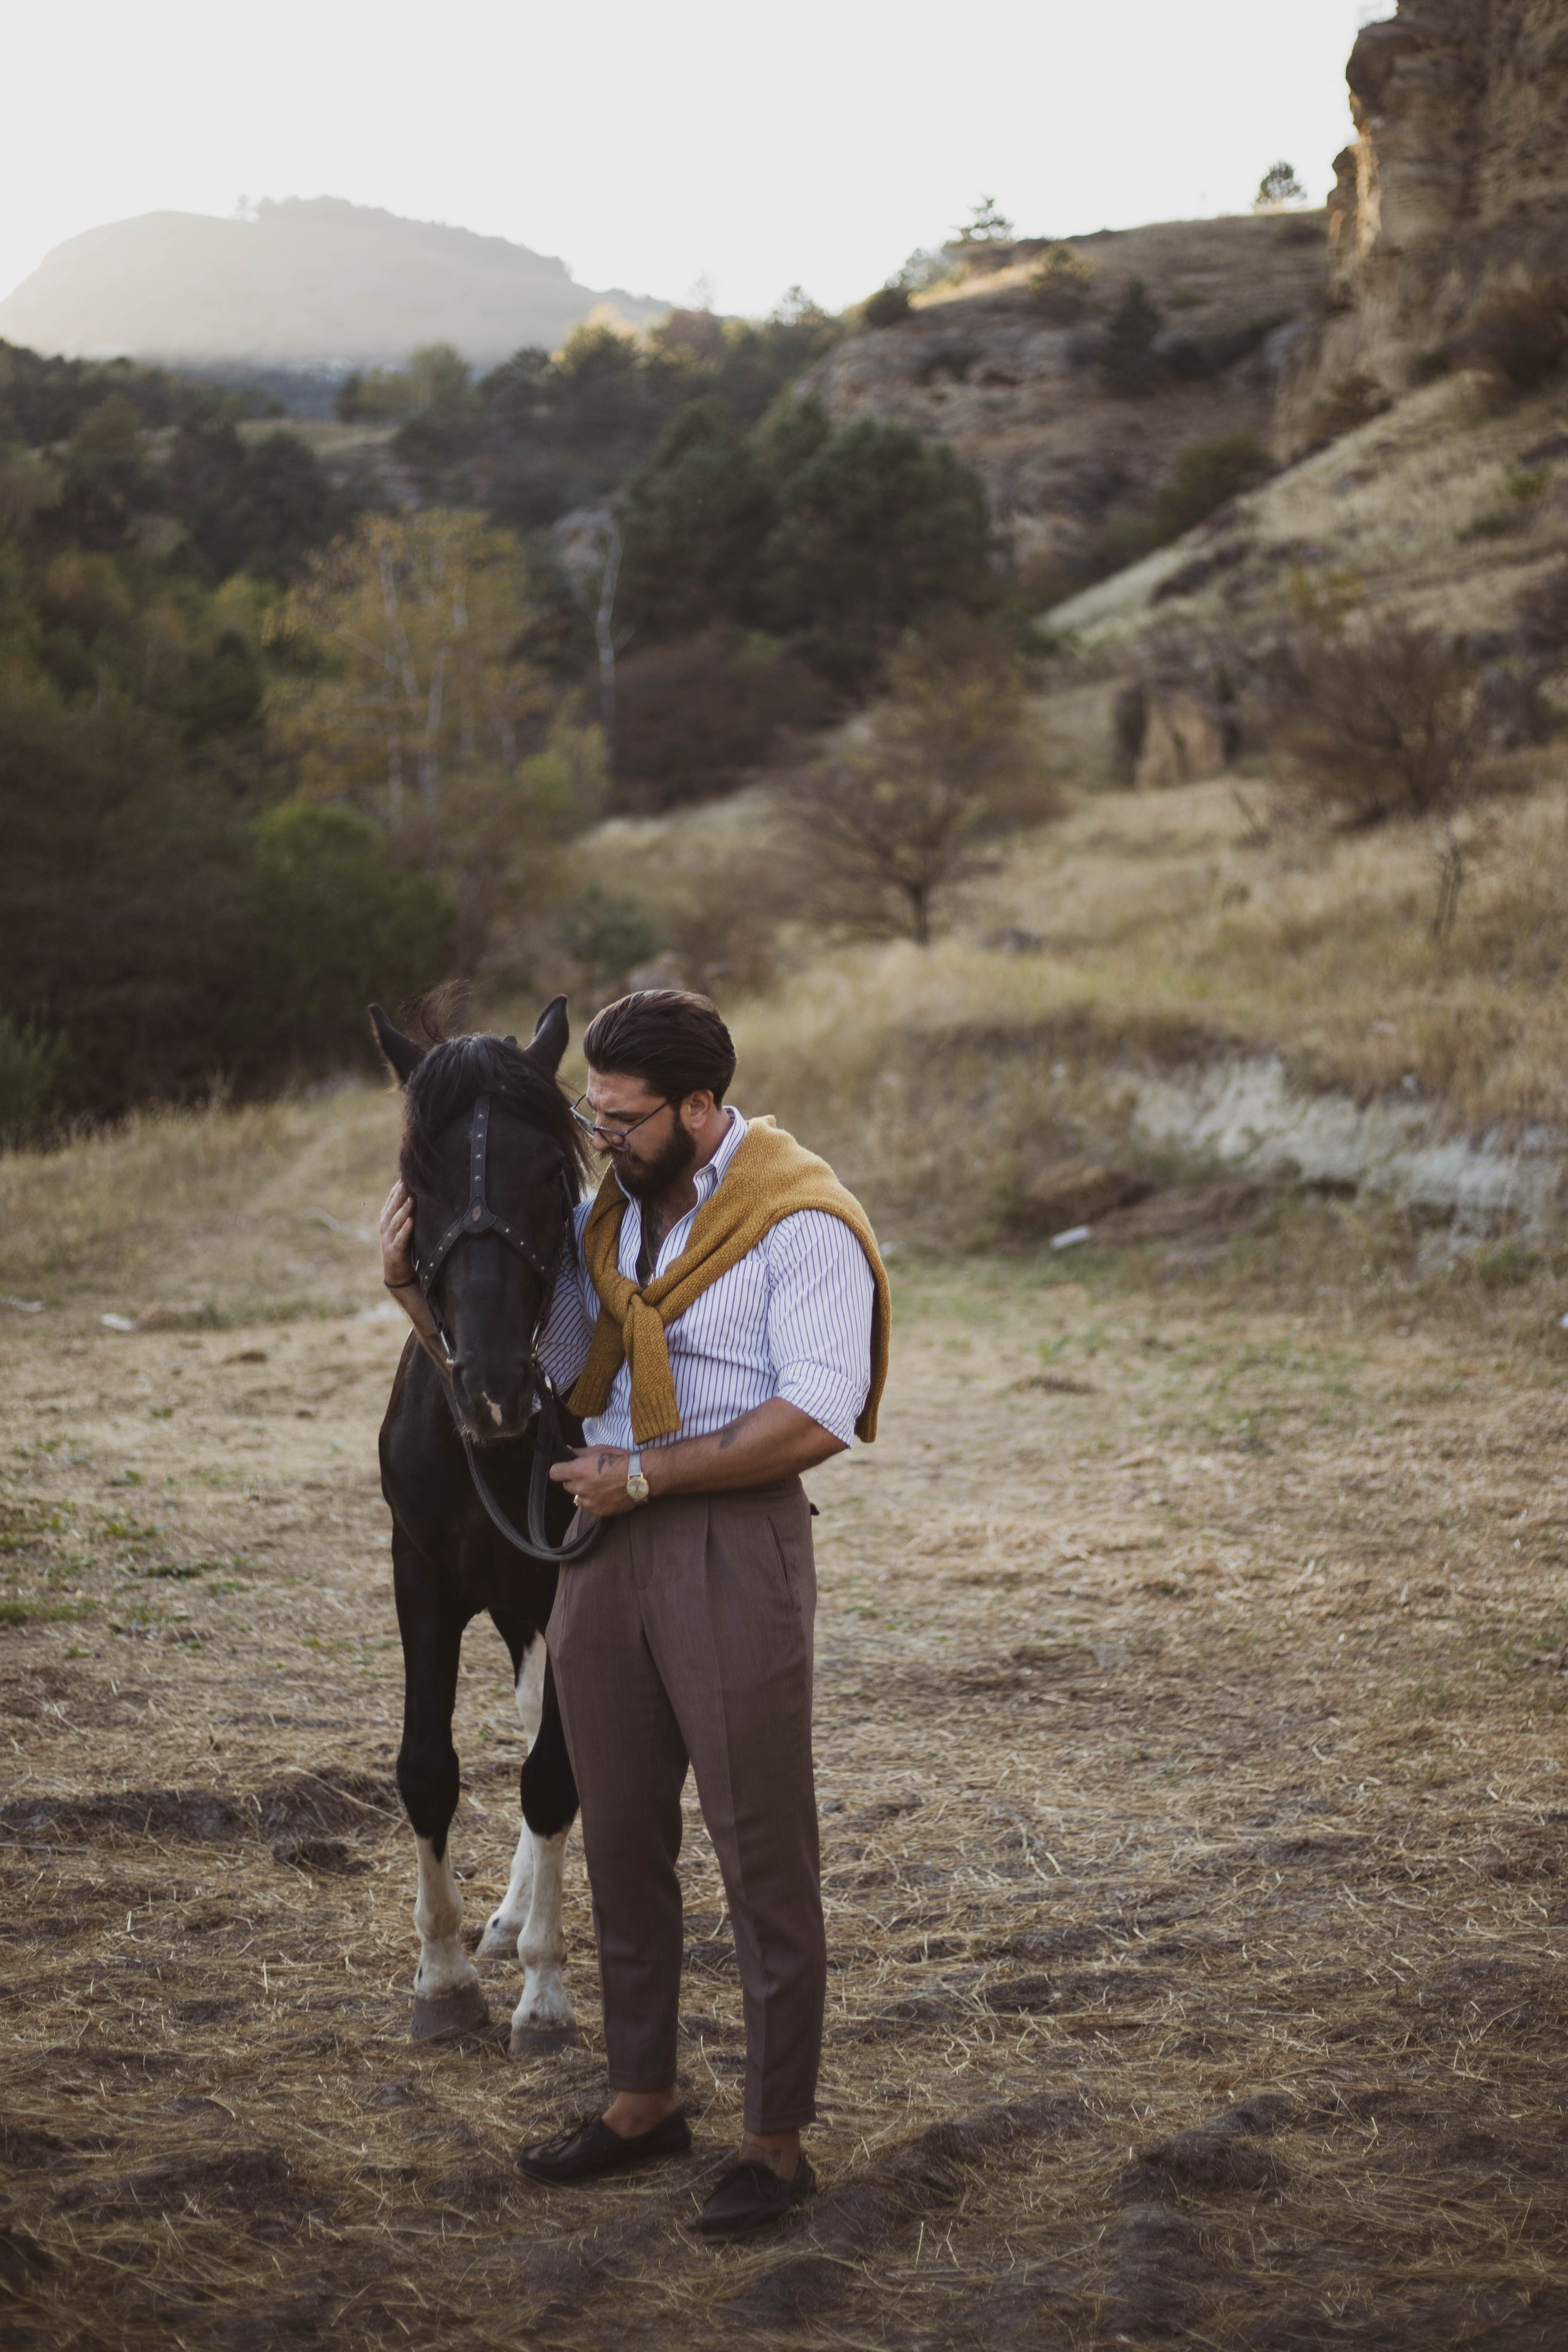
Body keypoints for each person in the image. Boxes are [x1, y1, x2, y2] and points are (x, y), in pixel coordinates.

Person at [380, 989, 889, 2236]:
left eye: (618, 1117)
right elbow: (543, 1363)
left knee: (759, 1852)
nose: (597, 1137)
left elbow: (819, 1414)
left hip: (725, 1538)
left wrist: (653, 1472)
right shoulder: (605, 1224)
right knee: (617, 1841)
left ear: (700, 1108)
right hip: (601, 1546)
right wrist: (407, 1294)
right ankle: (641, 2095)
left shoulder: (801, 1221)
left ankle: (773, 2143)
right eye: (590, 1114)